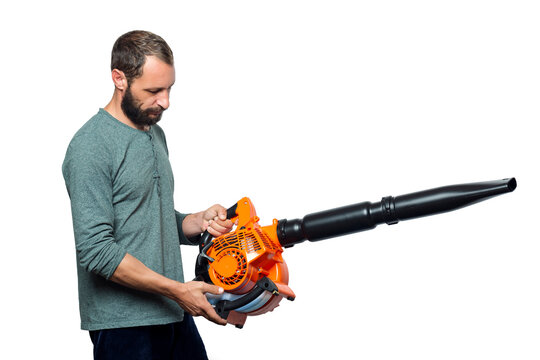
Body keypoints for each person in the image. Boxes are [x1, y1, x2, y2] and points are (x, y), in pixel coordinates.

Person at [62, 30, 233, 360]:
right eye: (154, 91)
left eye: (169, 89)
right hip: (123, 325)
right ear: (119, 79)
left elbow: (146, 216)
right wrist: (179, 290)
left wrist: (195, 221)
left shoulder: (156, 134)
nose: (165, 101)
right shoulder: (90, 146)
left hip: (173, 312)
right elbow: (97, 250)